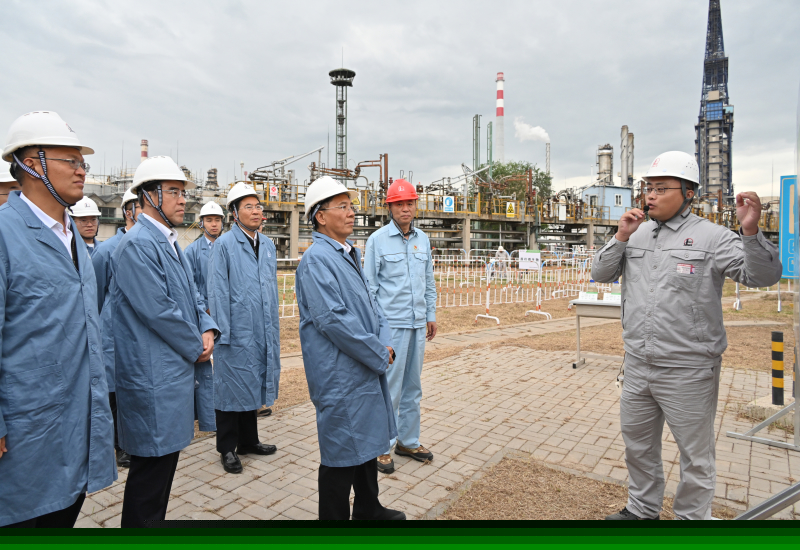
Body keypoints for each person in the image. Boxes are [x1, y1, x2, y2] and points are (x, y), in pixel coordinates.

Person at [592, 151, 782, 521]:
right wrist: (620, 236)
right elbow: (601, 274)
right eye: (648, 187)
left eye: (662, 188)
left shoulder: (713, 237)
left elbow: (762, 276)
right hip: (638, 364)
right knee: (638, 446)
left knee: (695, 456)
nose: (651, 195)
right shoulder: (636, 233)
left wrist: (750, 232)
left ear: (689, 193)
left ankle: (692, 520)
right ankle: (642, 510)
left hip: (689, 369)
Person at [0, 111, 115, 527]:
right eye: (71, 161)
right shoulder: (5, 234)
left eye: (83, 162)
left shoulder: (72, 237)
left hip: (76, 415)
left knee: (65, 508)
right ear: (32, 164)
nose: (82, 171)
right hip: (26, 422)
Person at [112, 156, 218, 527]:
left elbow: (193, 295)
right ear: (148, 195)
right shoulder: (138, 245)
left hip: (171, 372)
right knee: (150, 477)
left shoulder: (168, 241)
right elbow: (158, 310)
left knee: (161, 474)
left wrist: (207, 327)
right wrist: (196, 345)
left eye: (182, 192)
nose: (182, 200)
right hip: (152, 375)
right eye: (173, 191)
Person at [295, 176, 405, 520]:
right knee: (342, 451)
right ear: (320, 216)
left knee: (367, 440)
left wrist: (384, 340)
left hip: (362, 364)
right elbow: (333, 320)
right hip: (339, 371)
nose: (351, 212)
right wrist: (378, 352)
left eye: (350, 205)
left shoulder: (347, 253)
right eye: (342, 206)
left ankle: (369, 508)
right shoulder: (317, 260)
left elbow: (373, 304)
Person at [364, 179, 437, 475]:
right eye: (399, 204)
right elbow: (370, 289)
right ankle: (382, 445)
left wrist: (430, 314)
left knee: (413, 387)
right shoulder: (377, 240)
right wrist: (377, 331)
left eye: (409, 203)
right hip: (392, 327)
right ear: (390, 208)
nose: (405, 208)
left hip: (418, 324)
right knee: (389, 388)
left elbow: (429, 281)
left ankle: (408, 441)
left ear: (415, 205)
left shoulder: (423, 240)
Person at [207, 183, 280, 474]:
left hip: (262, 328)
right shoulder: (224, 245)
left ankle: (249, 441)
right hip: (235, 329)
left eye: (258, 206)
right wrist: (222, 332)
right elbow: (217, 291)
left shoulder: (268, 245)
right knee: (229, 387)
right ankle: (227, 447)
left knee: (252, 382)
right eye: (248, 206)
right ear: (235, 213)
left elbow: (271, 289)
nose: (256, 211)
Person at [92, 187, 139, 468]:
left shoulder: (154, 246)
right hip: (113, 335)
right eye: (138, 205)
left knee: (136, 393)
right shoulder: (107, 250)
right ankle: (120, 446)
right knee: (115, 394)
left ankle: (137, 441)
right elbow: (97, 295)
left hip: (140, 335)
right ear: (127, 211)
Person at [185, 200, 225, 437]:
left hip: (226, 313)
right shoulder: (192, 251)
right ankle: (207, 412)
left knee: (227, 363)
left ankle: (226, 407)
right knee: (205, 363)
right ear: (201, 223)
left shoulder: (228, 247)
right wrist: (205, 309)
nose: (213, 224)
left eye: (217, 220)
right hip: (205, 315)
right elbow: (190, 285)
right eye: (209, 220)